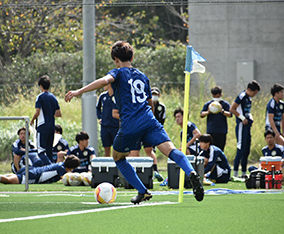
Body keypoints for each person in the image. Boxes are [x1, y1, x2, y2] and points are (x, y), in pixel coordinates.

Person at [65, 41, 204, 203]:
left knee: (118, 158)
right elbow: (151, 103)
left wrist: (78, 92)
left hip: (130, 123)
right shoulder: (143, 76)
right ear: (132, 57)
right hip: (149, 120)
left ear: (116, 59)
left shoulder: (117, 73)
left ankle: (142, 191)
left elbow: (104, 81)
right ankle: (192, 172)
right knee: (171, 150)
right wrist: (150, 125)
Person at [0, 154, 80, 185]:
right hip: (34, 175)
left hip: (32, 171)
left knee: (14, 177)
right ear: (72, 167)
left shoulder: (60, 165)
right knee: (9, 182)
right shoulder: (62, 169)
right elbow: (67, 179)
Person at [230, 80, 260, 178]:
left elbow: (247, 111)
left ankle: (243, 172)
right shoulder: (242, 96)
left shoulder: (249, 99)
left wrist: (250, 117)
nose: (254, 95)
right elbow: (232, 109)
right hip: (241, 125)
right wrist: (242, 118)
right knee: (241, 148)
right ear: (250, 90)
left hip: (247, 126)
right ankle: (235, 172)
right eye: (254, 93)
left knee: (246, 149)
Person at [30, 75, 62, 166]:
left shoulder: (40, 97)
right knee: (49, 152)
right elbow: (58, 113)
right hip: (51, 127)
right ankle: (51, 173)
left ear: (40, 86)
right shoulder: (53, 97)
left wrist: (32, 120)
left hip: (42, 126)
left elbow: (37, 112)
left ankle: (52, 168)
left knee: (40, 151)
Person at [200, 86, 232, 151]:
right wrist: (208, 112)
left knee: (220, 149)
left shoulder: (225, 104)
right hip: (211, 130)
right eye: (214, 96)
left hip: (221, 130)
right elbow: (201, 114)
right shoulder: (209, 104)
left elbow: (230, 114)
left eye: (217, 96)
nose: (216, 98)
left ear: (221, 95)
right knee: (211, 149)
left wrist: (222, 111)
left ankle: (220, 160)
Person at [96, 84, 119, 157]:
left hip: (115, 126)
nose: (103, 85)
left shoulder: (118, 96)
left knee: (117, 149)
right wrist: (100, 117)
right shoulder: (103, 96)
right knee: (106, 148)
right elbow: (98, 108)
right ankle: (108, 166)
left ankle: (117, 166)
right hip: (105, 126)